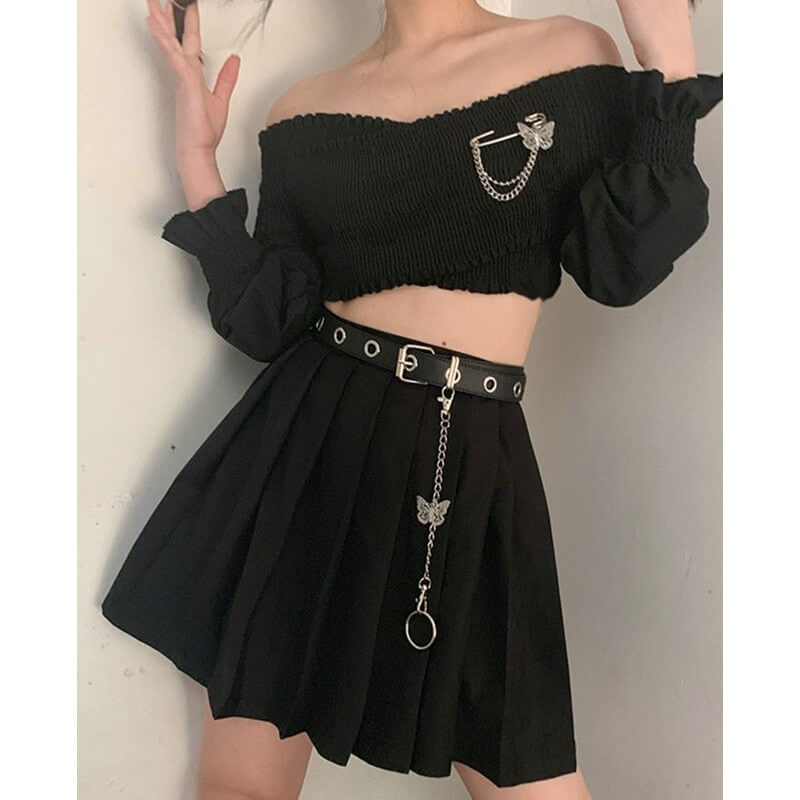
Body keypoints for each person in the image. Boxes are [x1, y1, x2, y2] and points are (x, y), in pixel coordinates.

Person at [101, 1, 722, 798]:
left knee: (528, 769)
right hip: (307, 452)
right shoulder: (303, 109)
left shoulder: (569, 53)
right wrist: (196, 157)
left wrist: (666, 56)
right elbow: (270, 321)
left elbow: (621, 266)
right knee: (240, 787)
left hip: (472, 458)